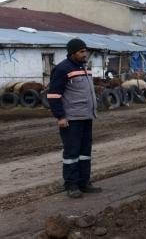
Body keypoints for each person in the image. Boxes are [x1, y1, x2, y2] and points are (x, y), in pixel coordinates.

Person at [47, 38, 101, 198]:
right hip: (71, 119)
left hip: (86, 116)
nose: (85, 54)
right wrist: (60, 116)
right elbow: (54, 94)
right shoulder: (62, 69)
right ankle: (71, 185)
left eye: (86, 51)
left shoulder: (84, 67)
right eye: (81, 51)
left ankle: (84, 182)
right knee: (72, 152)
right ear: (73, 53)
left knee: (85, 152)